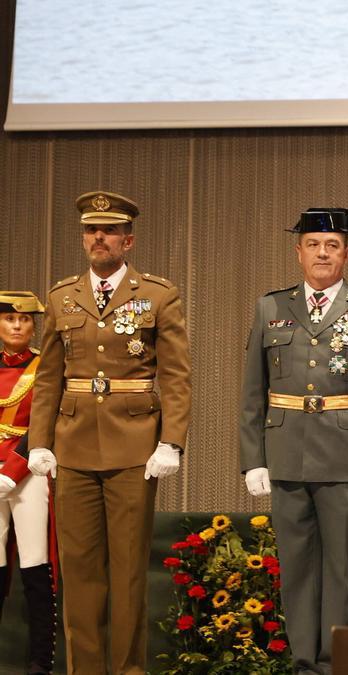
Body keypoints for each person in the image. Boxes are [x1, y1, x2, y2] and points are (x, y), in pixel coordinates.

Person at [27, 191, 192, 675]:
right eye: (91, 230)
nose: (98, 238)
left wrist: (172, 440)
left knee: (126, 574)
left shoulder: (158, 294)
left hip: (134, 446)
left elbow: (177, 375)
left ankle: (128, 671)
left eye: (109, 230)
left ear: (128, 239)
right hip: (73, 444)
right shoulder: (62, 296)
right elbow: (49, 378)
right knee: (78, 574)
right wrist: (39, 441)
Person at [240, 208, 348, 674]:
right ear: (299, 252)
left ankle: (338, 662)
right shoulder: (270, 307)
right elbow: (253, 389)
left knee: (342, 569)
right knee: (296, 567)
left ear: (347, 254)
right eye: (313, 244)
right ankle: (303, 663)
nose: (322, 253)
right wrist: (253, 458)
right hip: (286, 452)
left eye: (332, 245)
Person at [0, 291, 56, 674]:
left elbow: (44, 423)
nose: (17, 325)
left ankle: (40, 660)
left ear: (34, 324)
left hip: (29, 468)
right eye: (9, 319)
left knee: (36, 564)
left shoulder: (46, 368)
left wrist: (12, 471)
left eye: (24, 320)